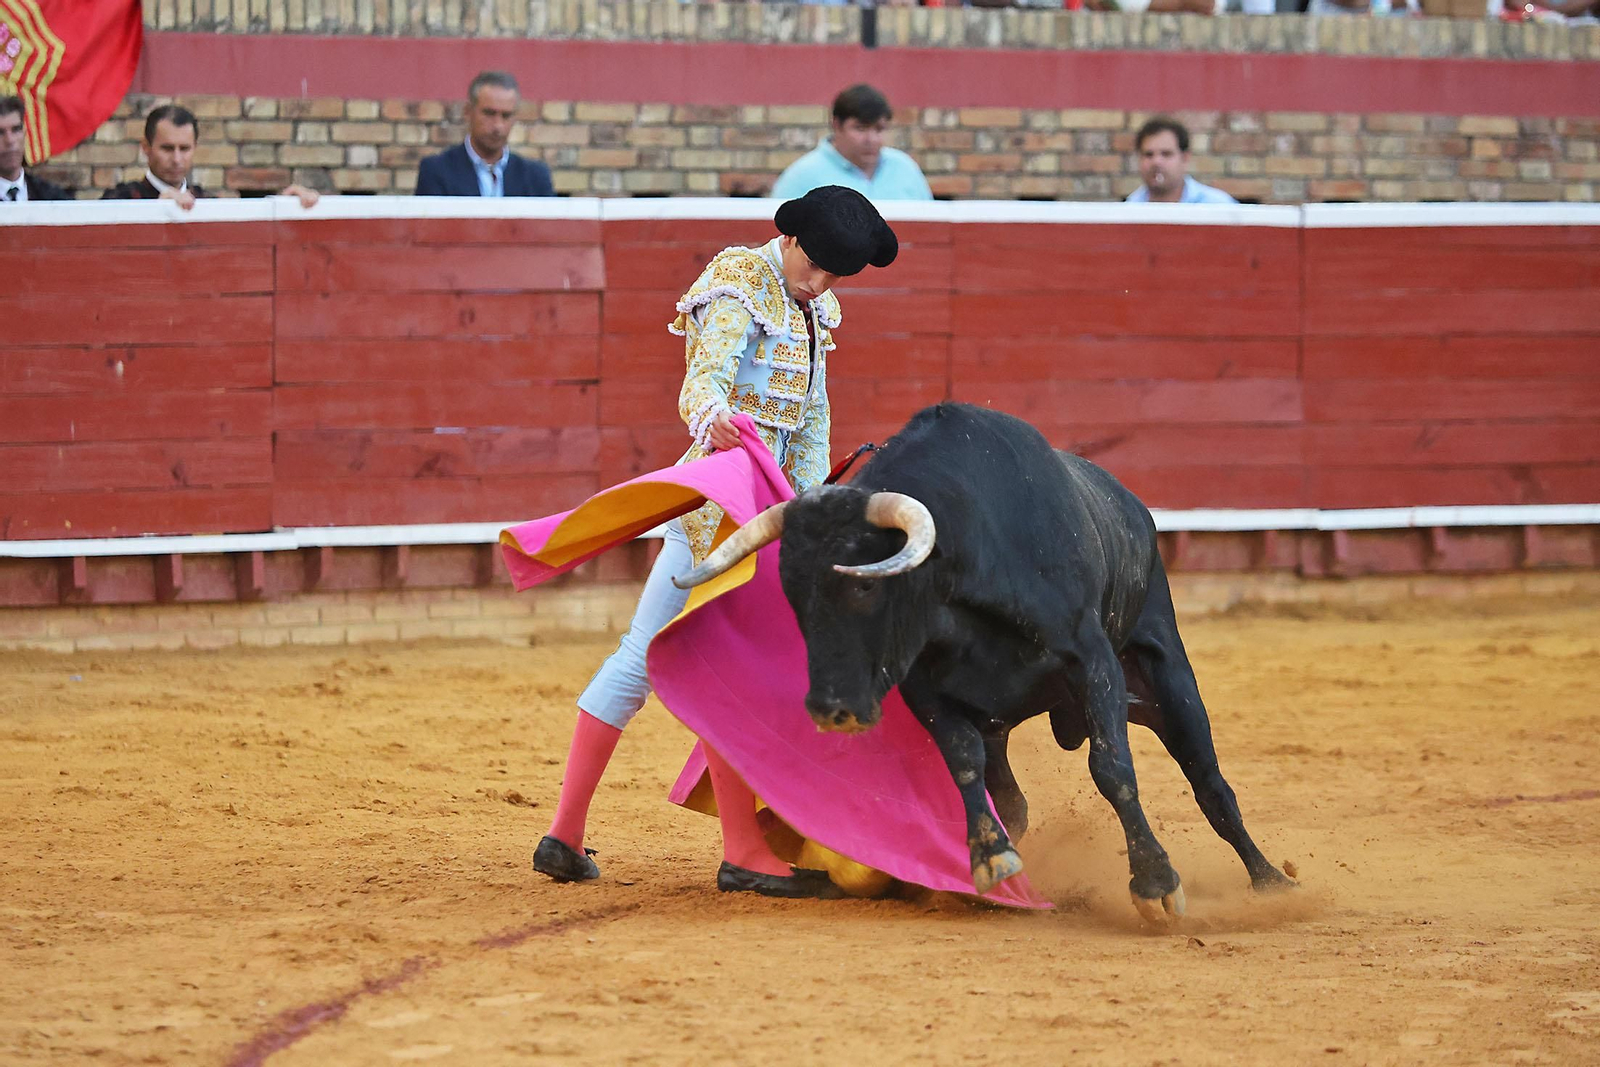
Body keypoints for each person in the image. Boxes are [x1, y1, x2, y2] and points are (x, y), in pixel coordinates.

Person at [534, 185, 899, 898]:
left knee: (651, 658)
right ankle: (740, 852)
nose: (819, 283)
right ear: (788, 239)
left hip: (764, 518)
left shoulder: (814, 308)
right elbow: (705, 377)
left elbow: (811, 421)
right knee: (697, 668)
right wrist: (713, 415)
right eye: (814, 266)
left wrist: (812, 508)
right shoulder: (741, 280)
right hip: (719, 512)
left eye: (834, 276)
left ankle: (567, 834)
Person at [103, 104, 319, 208]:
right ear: (146, 148)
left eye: (184, 149)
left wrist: (284, 206)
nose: (177, 159)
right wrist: (153, 211)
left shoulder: (207, 202)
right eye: (167, 149)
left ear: (195, 148)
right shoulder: (119, 200)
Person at [770, 84, 931, 201]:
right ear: (837, 125)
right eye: (860, 128)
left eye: (879, 129)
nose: (871, 139)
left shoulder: (905, 169)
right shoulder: (802, 176)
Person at [415, 71, 554, 197]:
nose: (498, 126)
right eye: (489, 113)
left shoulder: (535, 176)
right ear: (468, 112)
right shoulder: (436, 171)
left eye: (506, 116)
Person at [1124, 117, 1238, 205]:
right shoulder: (1129, 209)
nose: (1156, 162)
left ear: (1185, 158)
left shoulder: (1217, 206)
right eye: (1148, 155)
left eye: (1166, 154)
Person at [0, 96, 71, 201]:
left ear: (24, 134)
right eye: (0, 132)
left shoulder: (52, 197)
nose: (10, 140)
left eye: (16, 130)